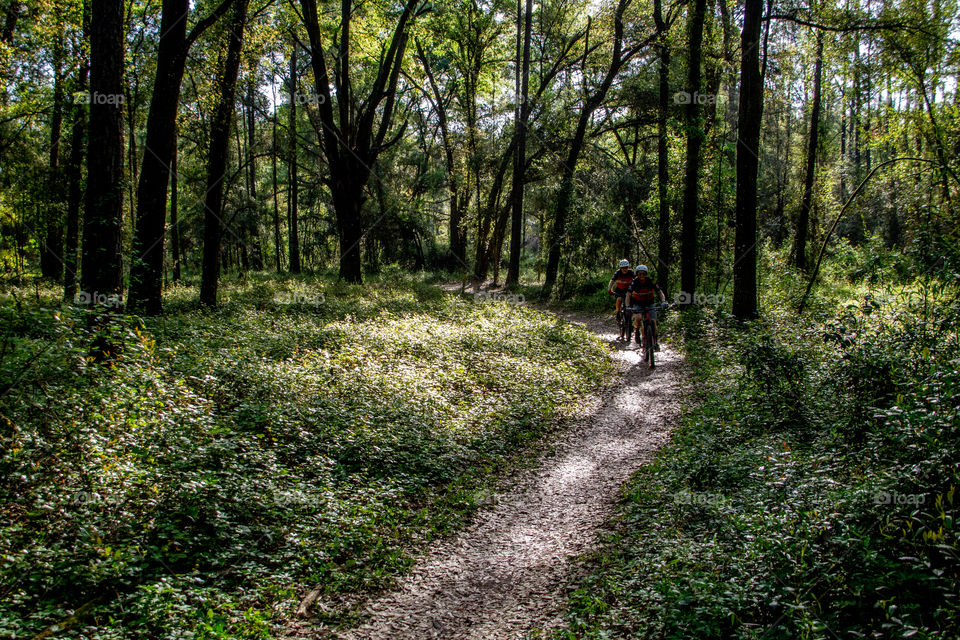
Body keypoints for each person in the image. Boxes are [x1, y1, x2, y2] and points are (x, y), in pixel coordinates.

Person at [627, 265, 667, 351]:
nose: (642, 276)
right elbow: (628, 295)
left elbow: (659, 292)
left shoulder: (651, 281)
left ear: (646, 274)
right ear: (637, 274)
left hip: (650, 303)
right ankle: (637, 330)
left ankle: (655, 342)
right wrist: (627, 306)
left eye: (643, 274)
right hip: (638, 303)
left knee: (653, 322)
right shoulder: (634, 283)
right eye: (640, 274)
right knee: (638, 318)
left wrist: (663, 301)